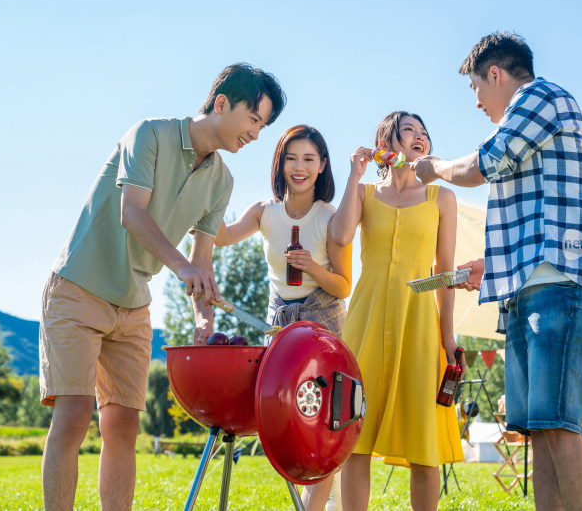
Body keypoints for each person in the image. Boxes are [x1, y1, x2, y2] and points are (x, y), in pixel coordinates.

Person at [40, 63, 285, 511]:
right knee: (74, 416)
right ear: (222, 103)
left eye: (263, 126)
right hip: (79, 287)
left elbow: (202, 262)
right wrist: (181, 270)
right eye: (254, 119)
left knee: (124, 427)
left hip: (133, 305)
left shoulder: (222, 181)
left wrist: (203, 320)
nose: (255, 134)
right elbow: (131, 214)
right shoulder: (149, 135)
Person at [411, 32, 582, 511]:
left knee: (560, 426)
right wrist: (491, 264)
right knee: (539, 433)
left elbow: (489, 163)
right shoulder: (528, 119)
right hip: (529, 287)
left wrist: (434, 167)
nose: (477, 101)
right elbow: (536, 206)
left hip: (560, 284)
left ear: (495, 74)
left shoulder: (539, 96)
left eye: (476, 88)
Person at [332, 112, 465, 511]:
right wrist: (354, 177)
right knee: (356, 435)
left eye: (424, 132)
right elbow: (340, 236)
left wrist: (447, 336)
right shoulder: (365, 193)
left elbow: (445, 273)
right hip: (365, 324)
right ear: (386, 142)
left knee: (423, 443)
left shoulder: (442, 198)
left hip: (420, 326)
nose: (420, 137)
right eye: (410, 130)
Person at [215, 124, 350, 511]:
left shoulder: (331, 216)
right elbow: (221, 235)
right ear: (280, 163)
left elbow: (343, 286)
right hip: (279, 324)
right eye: (292, 158)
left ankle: (314, 504)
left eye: (309, 158)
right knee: (287, 419)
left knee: (323, 421)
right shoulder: (264, 213)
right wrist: (198, 202)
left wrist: (313, 268)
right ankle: (317, 499)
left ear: (322, 165)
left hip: (324, 323)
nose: (299, 167)